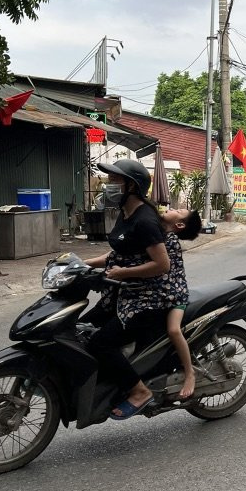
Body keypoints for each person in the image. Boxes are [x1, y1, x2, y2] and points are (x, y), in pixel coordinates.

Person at [84, 158, 174, 421]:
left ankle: (139, 391)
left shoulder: (145, 220)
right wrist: (79, 263)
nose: (108, 185)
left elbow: (162, 264)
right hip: (122, 293)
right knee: (79, 330)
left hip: (147, 300)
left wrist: (125, 273)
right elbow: (118, 254)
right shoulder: (126, 214)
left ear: (132, 186)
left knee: (99, 343)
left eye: (115, 181)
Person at [159, 206, 202, 400]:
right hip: (160, 294)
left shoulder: (172, 241)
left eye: (179, 210)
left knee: (174, 330)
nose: (172, 208)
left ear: (179, 224)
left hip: (176, 295)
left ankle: (190, 373)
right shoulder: (158, 232)